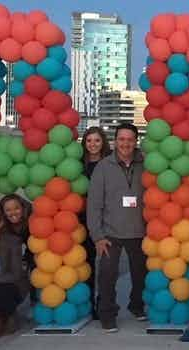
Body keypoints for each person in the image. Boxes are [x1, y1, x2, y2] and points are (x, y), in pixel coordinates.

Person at [87, 123, 148, 332]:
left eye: (130, 139)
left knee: (141, 275)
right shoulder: (103, 166)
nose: (125, 144)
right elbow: (94, 204)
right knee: (107, 276)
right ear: (114, 141)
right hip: (110, 233)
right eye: (121, 139)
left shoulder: (146, 163)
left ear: (136, 141)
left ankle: (137, 305)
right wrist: (97, 236)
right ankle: (107, 314)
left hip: (140, 231)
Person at [79, 127, 110, 320]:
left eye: (97, 140)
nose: (93, 144)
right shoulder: (77, 166)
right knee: (86, 262)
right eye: (89, 141)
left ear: (103, 143)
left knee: (107, 265)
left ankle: (104, 302)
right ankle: (88, 302)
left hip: (106, 219)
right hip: (82, 219)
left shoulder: (109, 164)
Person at [0, 194, 33, 305]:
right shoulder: (5, 225)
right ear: (3, 212)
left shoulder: (33, 219)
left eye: (17, 208)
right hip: (27, 251)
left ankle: (35, 299)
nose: (13, 213)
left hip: (40, 251)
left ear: (23, 208)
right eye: (8, 210)